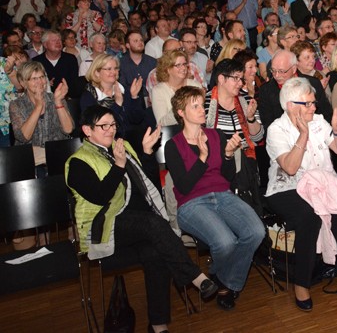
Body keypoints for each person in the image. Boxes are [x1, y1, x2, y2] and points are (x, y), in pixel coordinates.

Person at [66, 106, 218, 333]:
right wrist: (118, 166)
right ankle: (194, 276)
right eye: (103, 126)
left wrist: (146, 153)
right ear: (87, 130)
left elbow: (146, 186)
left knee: (155, 251)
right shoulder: (78, 162)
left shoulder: (122, 147)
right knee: (152, 224)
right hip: (102, 226)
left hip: (135, 224)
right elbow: (100, 197)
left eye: (113, 125)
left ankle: (158, 326)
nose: (110, 130)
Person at [265, 78, 337, 311]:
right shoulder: (276, 130)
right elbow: (290, 168)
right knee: (309, 218)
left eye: (314, 103)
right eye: (308, 104)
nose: (314, 108)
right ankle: (302, 283)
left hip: (322, 182)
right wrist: (302, 135)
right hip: (288, 187)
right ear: (291, 105)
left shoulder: (319, 121)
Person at [165, 86, 265, 311]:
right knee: (225, 242)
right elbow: (184, 186)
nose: (203, 109)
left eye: (202, 104)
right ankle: (226, 284)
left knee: (256, 232)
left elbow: (227, 177)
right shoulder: (173, 146)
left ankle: (223, 281)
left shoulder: (215, 135)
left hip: (222, 194)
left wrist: (228, 155)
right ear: (181, 112)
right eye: (196, 106)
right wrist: (202, 158)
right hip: (191, 204)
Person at [10, 61, 73, 174]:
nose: (40, 82)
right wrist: (38, 106)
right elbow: (23, 137)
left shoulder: (56, 98)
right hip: (30, 160)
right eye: (34, 79)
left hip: (56, 156)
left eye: (42, 77)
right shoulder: (16, 105)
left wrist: (58, 102)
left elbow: (68, 129)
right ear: (23, 83)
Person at [80, 53, 146, 140]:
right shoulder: (89, 96)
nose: (113, 72)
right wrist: (117, 104)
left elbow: (137, 119)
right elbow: (100, 126)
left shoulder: (123, 90)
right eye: (108, 69)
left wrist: (134, 97)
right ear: (97, 72)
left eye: (115, 68)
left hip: (130, 139)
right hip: (104, 141)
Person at [150, 49, 203, 126]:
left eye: (184, 64)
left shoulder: (195, 85)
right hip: (171, 133)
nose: (183, 68)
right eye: (178, 65)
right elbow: (161, 122)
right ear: (168, 69)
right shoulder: (158, 90)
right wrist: (180, 106)